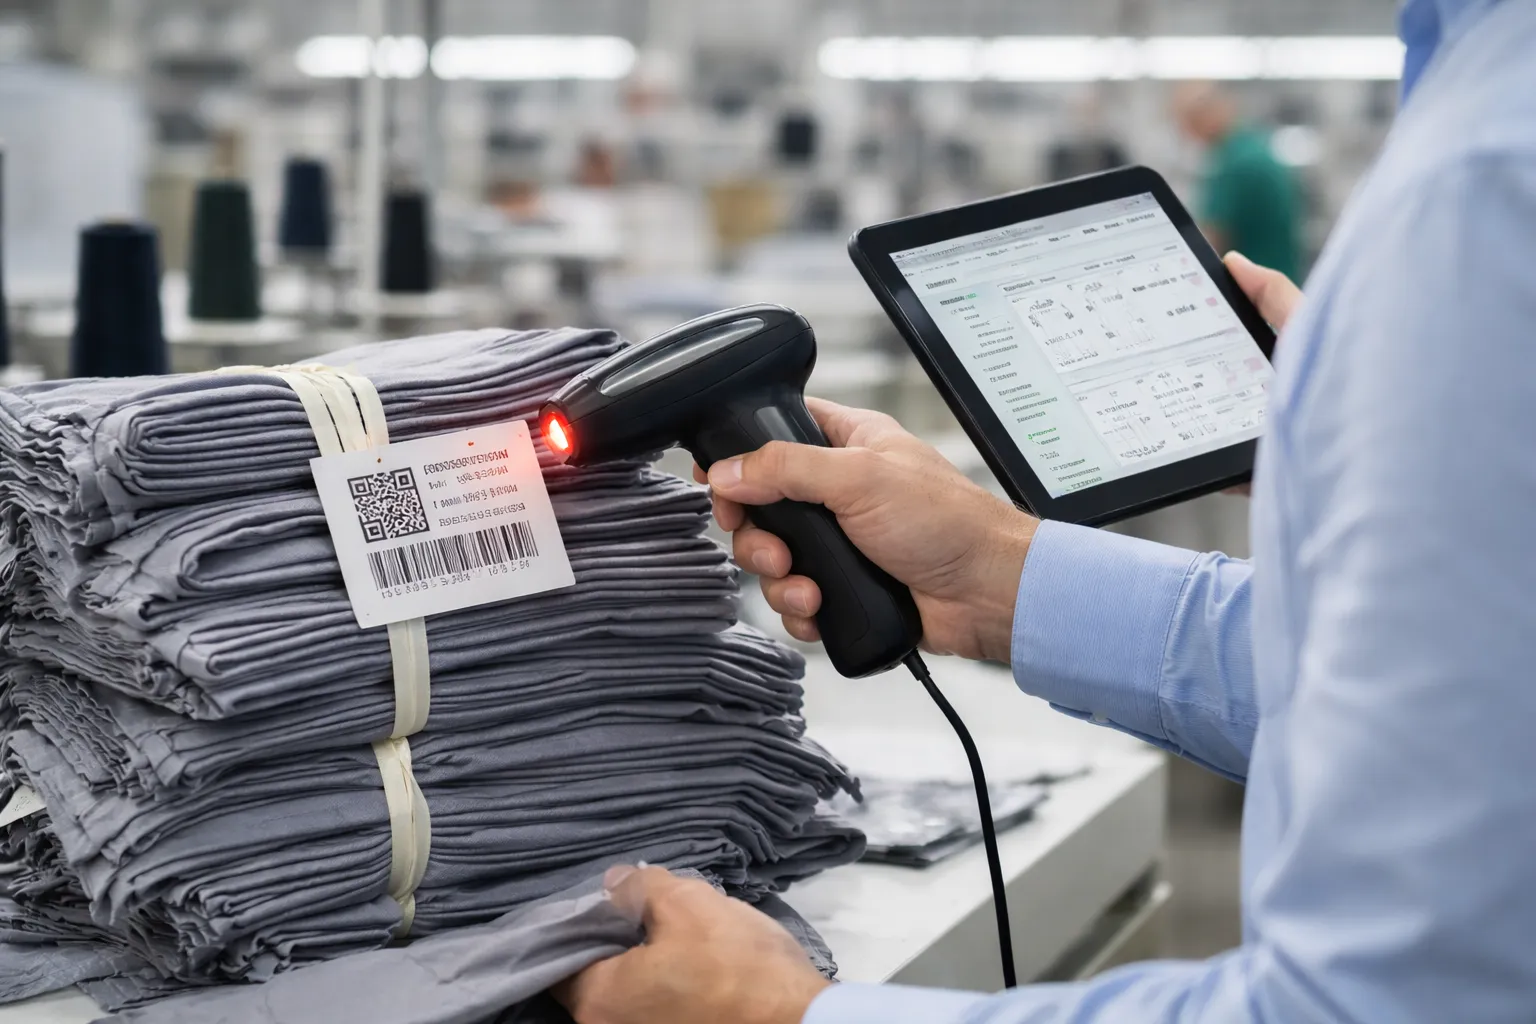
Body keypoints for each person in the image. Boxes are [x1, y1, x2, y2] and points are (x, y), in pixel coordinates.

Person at [557, 1, 1536, 1020]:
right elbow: (1458, 691)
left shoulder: (1482, 175)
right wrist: (996, 573)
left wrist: (789, 1014)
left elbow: (1389, 1004)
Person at [1171, 81, 1301, 282]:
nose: (1188, 133)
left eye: (1190, 122)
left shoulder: (1234, 165)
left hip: (1254, 289)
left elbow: (1210, 242)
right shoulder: (1256, 149)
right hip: (1282, 280)